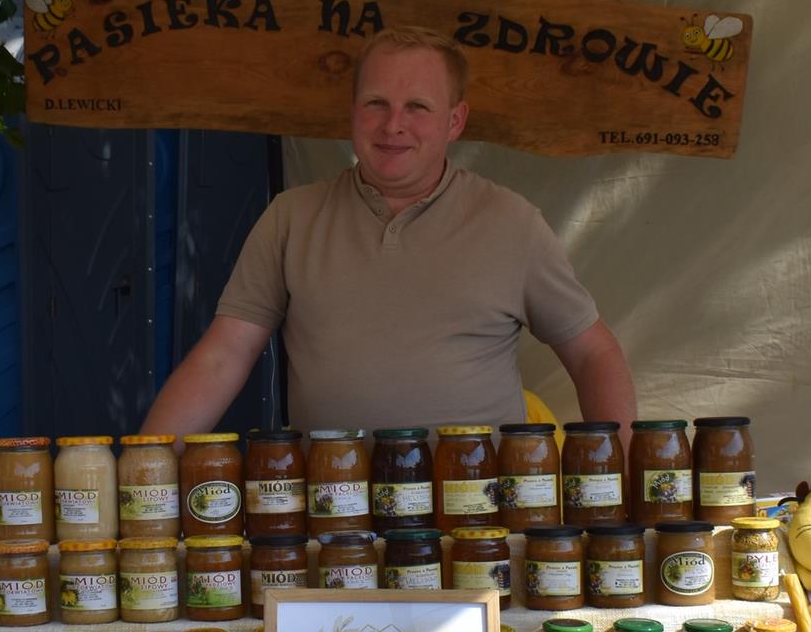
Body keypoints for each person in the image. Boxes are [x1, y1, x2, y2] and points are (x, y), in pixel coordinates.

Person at [139, 25, 636, 434]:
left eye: (417, 106)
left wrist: (625, 469)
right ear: (353, 110)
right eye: (376, 103)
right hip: (335, 505)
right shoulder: (291, 218)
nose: (393, 124)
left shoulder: (513, 223)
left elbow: (592, 352)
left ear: (455, 121)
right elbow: (223, 357)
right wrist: (148, 465)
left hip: (474, 510)